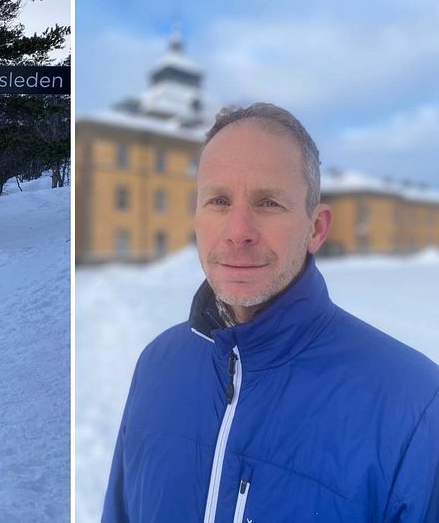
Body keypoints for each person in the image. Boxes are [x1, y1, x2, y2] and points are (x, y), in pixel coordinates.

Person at [102, 103, 439, 522]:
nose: (238, 231)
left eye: (268, 203)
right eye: (219, 200)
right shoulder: (158, 364)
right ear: (196, 216)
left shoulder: (415, 404)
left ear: (316, 228)